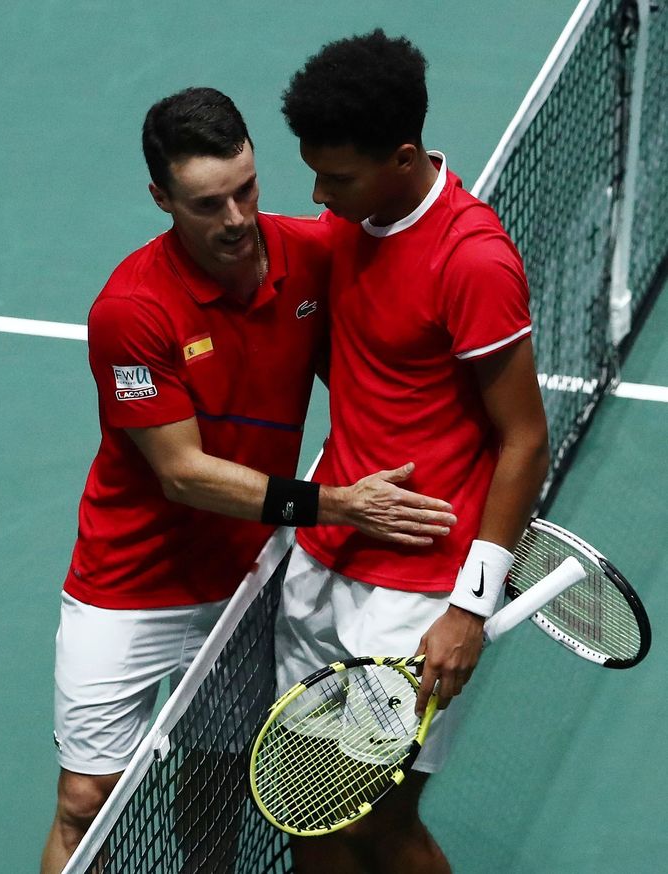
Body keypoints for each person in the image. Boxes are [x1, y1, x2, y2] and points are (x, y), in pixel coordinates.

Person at [40, 86, 457, 874]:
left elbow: (412, 263)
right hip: (126, 585)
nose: (235, 219)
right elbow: (183, 474)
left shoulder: (310, 254)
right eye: (206, 203)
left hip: (240, 587)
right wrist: (334, 505)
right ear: (161, 198)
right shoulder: (132, 310)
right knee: (87, 801)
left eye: (245, 190)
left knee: (213, 787)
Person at [274, 30, 550, 874]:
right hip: (325, 558)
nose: (319, 193)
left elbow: (525, 438)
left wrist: (469, 606)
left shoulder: (471, 261)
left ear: (402, 157)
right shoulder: (354, 220)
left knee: (375, 822)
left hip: (417, 594)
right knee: (308, 812)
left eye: (338, 176)